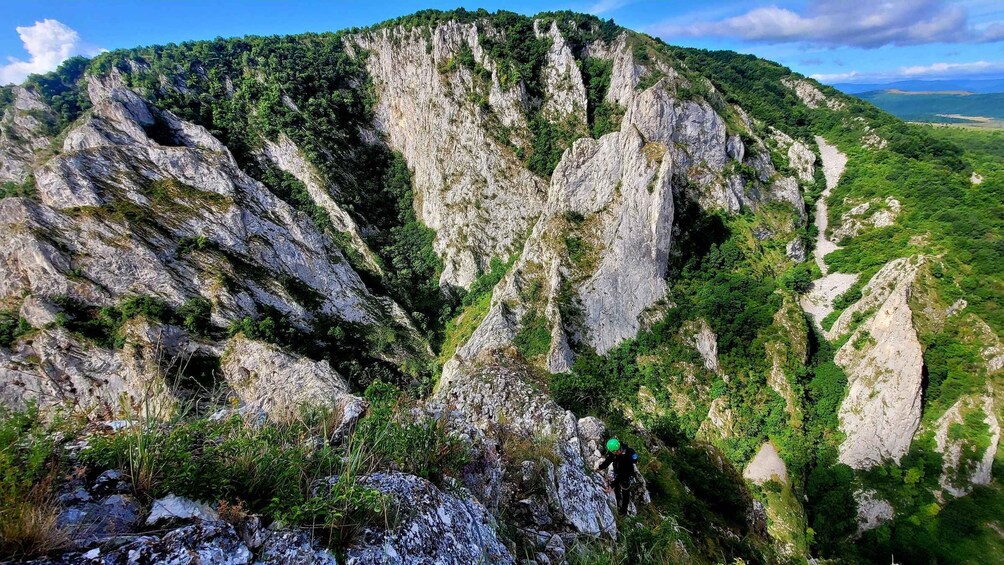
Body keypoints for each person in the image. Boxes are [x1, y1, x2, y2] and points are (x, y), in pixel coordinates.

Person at [595, 437, 638, 516]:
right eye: (614, 452)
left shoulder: (628, 454)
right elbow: (608, 460)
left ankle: (623, 510)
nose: (616, 452)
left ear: (619, 447)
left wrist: (611, 486)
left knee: (625, 491)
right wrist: (600, 468)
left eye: (617, 451)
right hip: (617, 471)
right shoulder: (613, 454)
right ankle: (618, 501)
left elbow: (622, 475)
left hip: (626, 474)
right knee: (617, 488)